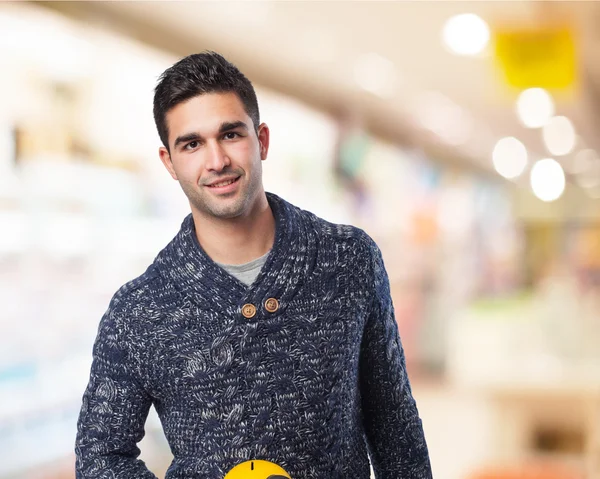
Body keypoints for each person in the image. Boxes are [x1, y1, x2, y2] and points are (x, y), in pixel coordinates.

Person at [74, 51, 432, 479]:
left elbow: (393, 421)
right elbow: (101, 457)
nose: (217, 161)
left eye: (230, 135)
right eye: (192, 144)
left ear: (261, 139)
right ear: (169, 162)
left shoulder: (347, 260)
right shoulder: (140, 309)